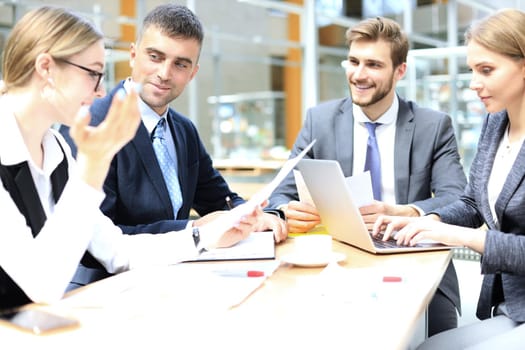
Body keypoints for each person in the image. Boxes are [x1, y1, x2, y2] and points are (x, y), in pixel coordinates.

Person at [0, 5, 263, 311]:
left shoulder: (54, 146)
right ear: (46, 67)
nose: (101, 91)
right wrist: (91, 169)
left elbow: (115, 249)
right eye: (93, 74)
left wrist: (203, 236)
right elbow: (41, 283)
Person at [59, 4, 287, 286]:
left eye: (180, 64)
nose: (165, 73)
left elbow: (219, 199)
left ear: (193, 72)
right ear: (133, 55)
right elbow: (95, 241)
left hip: (171, 279)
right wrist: (194, 229)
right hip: (102, 287)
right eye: (155, 57)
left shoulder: (183, 130)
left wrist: (258, 215)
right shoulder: (92, 122)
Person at [269, 17, 467, 336]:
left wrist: (405, 212)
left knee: (430, 336)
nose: (358, 75)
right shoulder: (319, 120)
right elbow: (281, 191)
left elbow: (458, 197)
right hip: (337, 261)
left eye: (373, 64)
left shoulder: (433, 126)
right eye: (353, 61)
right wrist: (286, 209)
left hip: (413, 260)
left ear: (399, 71)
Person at [373, 9, 525, 349]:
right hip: (512, 306)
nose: (474, 83)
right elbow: (473, 202)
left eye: (487, 70)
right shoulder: (496, 122)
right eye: (473, 70)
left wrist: (460, 237)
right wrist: (424, 219)